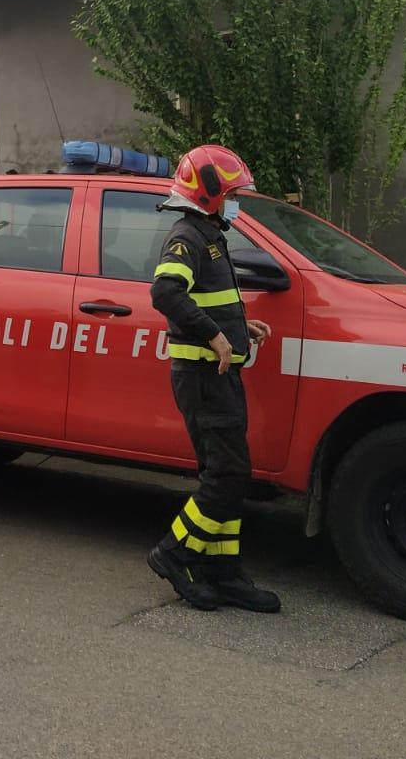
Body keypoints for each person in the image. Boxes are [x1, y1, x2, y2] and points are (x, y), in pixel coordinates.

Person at [145, 144, 278, 613]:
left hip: (217, 375)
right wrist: (216, 338)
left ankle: (223, 573)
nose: (236, 200)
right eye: (232, 192)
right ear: (209, 193)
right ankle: (174, 553)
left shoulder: (210, 233)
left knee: (225, 474)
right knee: (228, 475)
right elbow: (165, 291)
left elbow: (210, 299)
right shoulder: (188, 236)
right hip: (204, 375)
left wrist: (242, 329)